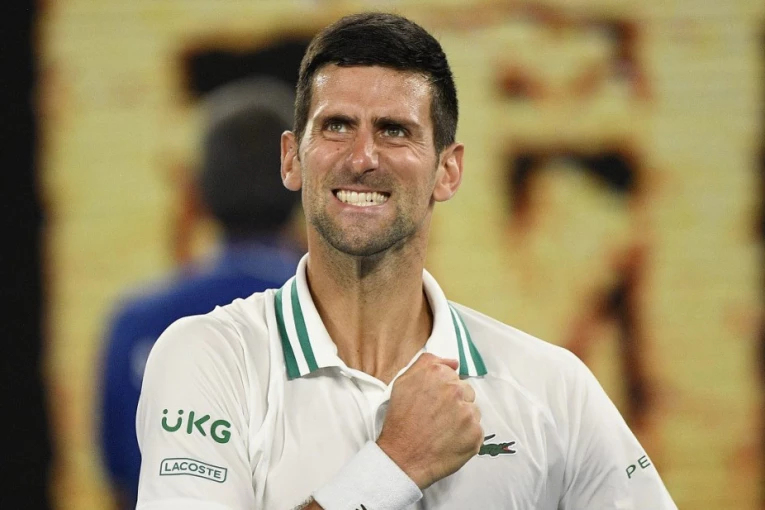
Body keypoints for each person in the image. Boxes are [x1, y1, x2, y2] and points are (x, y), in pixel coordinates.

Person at [135, 12, 677, 510]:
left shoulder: (554, 389)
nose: (362, 158)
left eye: (395, 130)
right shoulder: (207, 358)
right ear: (291, 159)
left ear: (448, 171)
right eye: (337, 125)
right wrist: (396, 463)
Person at [99, 77, 304, 510]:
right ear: (303, 184)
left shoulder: (133, 323)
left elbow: (122, 485)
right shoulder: (354, 318)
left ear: (197, 192)